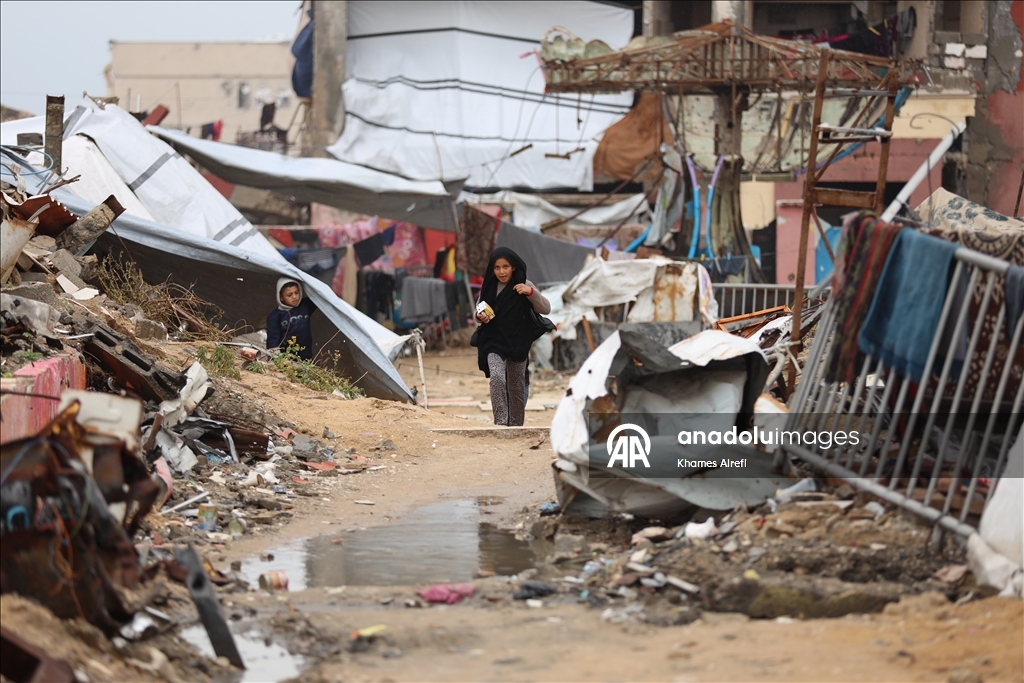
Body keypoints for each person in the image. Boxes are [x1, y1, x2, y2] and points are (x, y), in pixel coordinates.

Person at [473, 247, 554, 426]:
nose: (501, 272)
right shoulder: (489, 286)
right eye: (497, 268)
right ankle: (501, 424)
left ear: (514, 267)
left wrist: (530, 293)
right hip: (493, 342)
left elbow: (546, 308)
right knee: (497, 378)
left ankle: (516, 426)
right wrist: (480, 316)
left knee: (517, 388)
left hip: (518, 343)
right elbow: (478, 310)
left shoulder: (526, 284)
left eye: (506, 267)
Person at [266, 278, 317, 360]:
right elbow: (273, 341)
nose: (294, 297)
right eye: (289, 295)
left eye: (296, 293)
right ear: (281, 297)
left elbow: (319, 296)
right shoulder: (274, 317)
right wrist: (276, 359)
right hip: (286, 358)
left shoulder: (305, 306)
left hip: (306, 356)